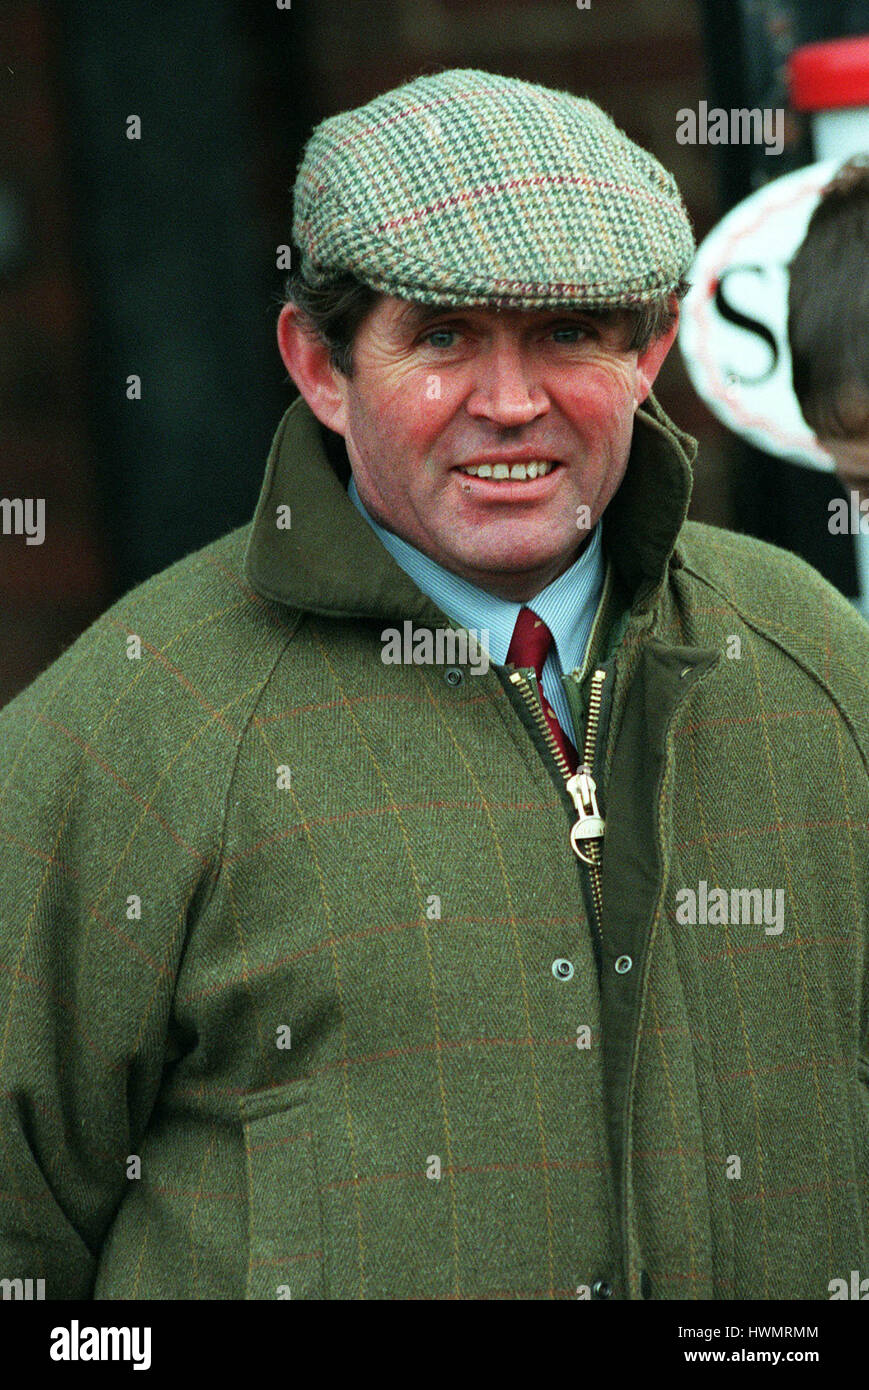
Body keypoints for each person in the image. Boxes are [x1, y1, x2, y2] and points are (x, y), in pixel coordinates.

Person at [0, 67, 867, 1303]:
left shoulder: (817, 660)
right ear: (319, 364)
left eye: (567, 332)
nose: (508, 406)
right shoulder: (131, 729)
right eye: (444, 337)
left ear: (651, 349)